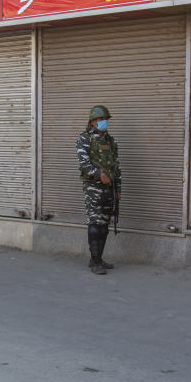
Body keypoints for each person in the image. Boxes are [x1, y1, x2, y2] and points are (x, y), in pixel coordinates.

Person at [76, 104, 121, 275]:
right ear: (93, 121)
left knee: (104, 225)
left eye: (106, 119)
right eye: (101, 119)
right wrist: (98, 175)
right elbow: (84, 164)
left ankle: (98, 258)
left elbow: (117, 167)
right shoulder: (85, 139)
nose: (104, 122)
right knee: (95, 223)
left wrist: (119, 189)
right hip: (94, 187)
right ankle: (95, 262)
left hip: (110, 188)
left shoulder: (111, 141)